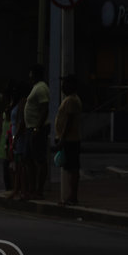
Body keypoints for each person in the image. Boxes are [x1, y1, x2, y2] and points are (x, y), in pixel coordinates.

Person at [53, 74, 83, 205]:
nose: (62, 86)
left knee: (72, 169)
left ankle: (72, 197)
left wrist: (62, 139)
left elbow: (69, 122)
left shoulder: (71, 100)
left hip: (70, 139)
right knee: (70, 168)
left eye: (65, 83)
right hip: (69, 139)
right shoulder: (70, 99)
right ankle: (70, 196)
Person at [22, 66, 50, 200]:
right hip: (30, 128)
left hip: (36, 129)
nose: (29, 77)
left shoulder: (41, 88)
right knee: (28, 158)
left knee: (39, 159)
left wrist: (37, 128)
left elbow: (45, 108)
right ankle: (31, 189)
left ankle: (39, 190)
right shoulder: (36, 87)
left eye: (31, 74)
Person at [0, 90, 17, 192]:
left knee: (10, 168)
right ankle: (10, 188)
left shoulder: (12, 110)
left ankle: (12, 188)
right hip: (6, 142)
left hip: (10, 141)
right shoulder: (7, 110)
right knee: (7, 167)